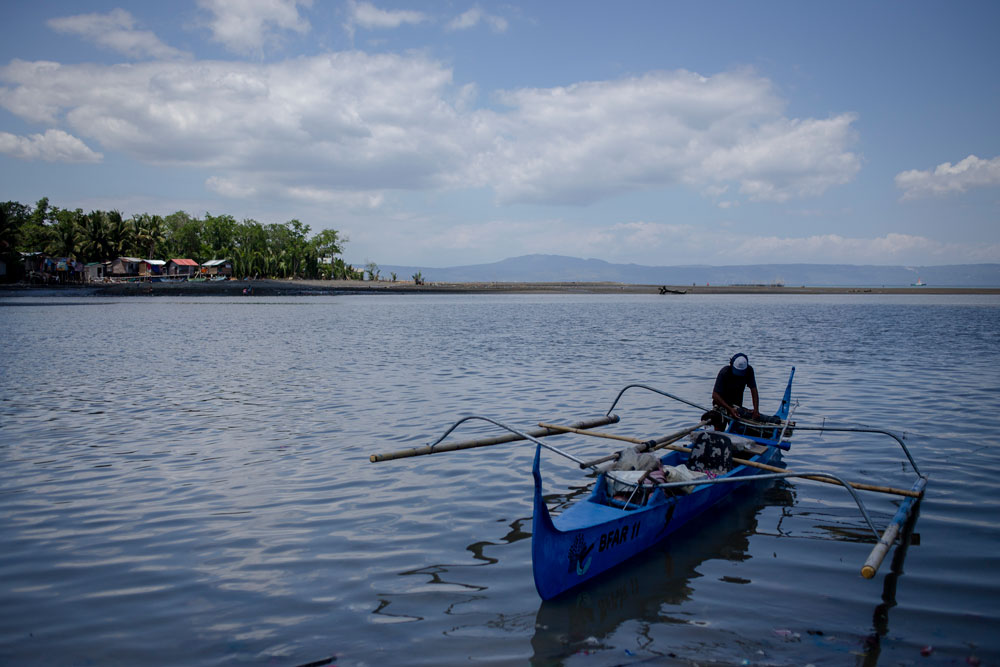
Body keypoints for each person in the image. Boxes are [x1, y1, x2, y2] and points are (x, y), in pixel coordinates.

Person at [712, 353, 762, 422]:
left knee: (737, 424)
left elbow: (754, 390)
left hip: (737, 405)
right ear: (731, 364)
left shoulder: (749, 371)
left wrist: (756, 410)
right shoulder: (724, 372)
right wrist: (729, 409)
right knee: (719, 425)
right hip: (721, 404)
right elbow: (715, 395)